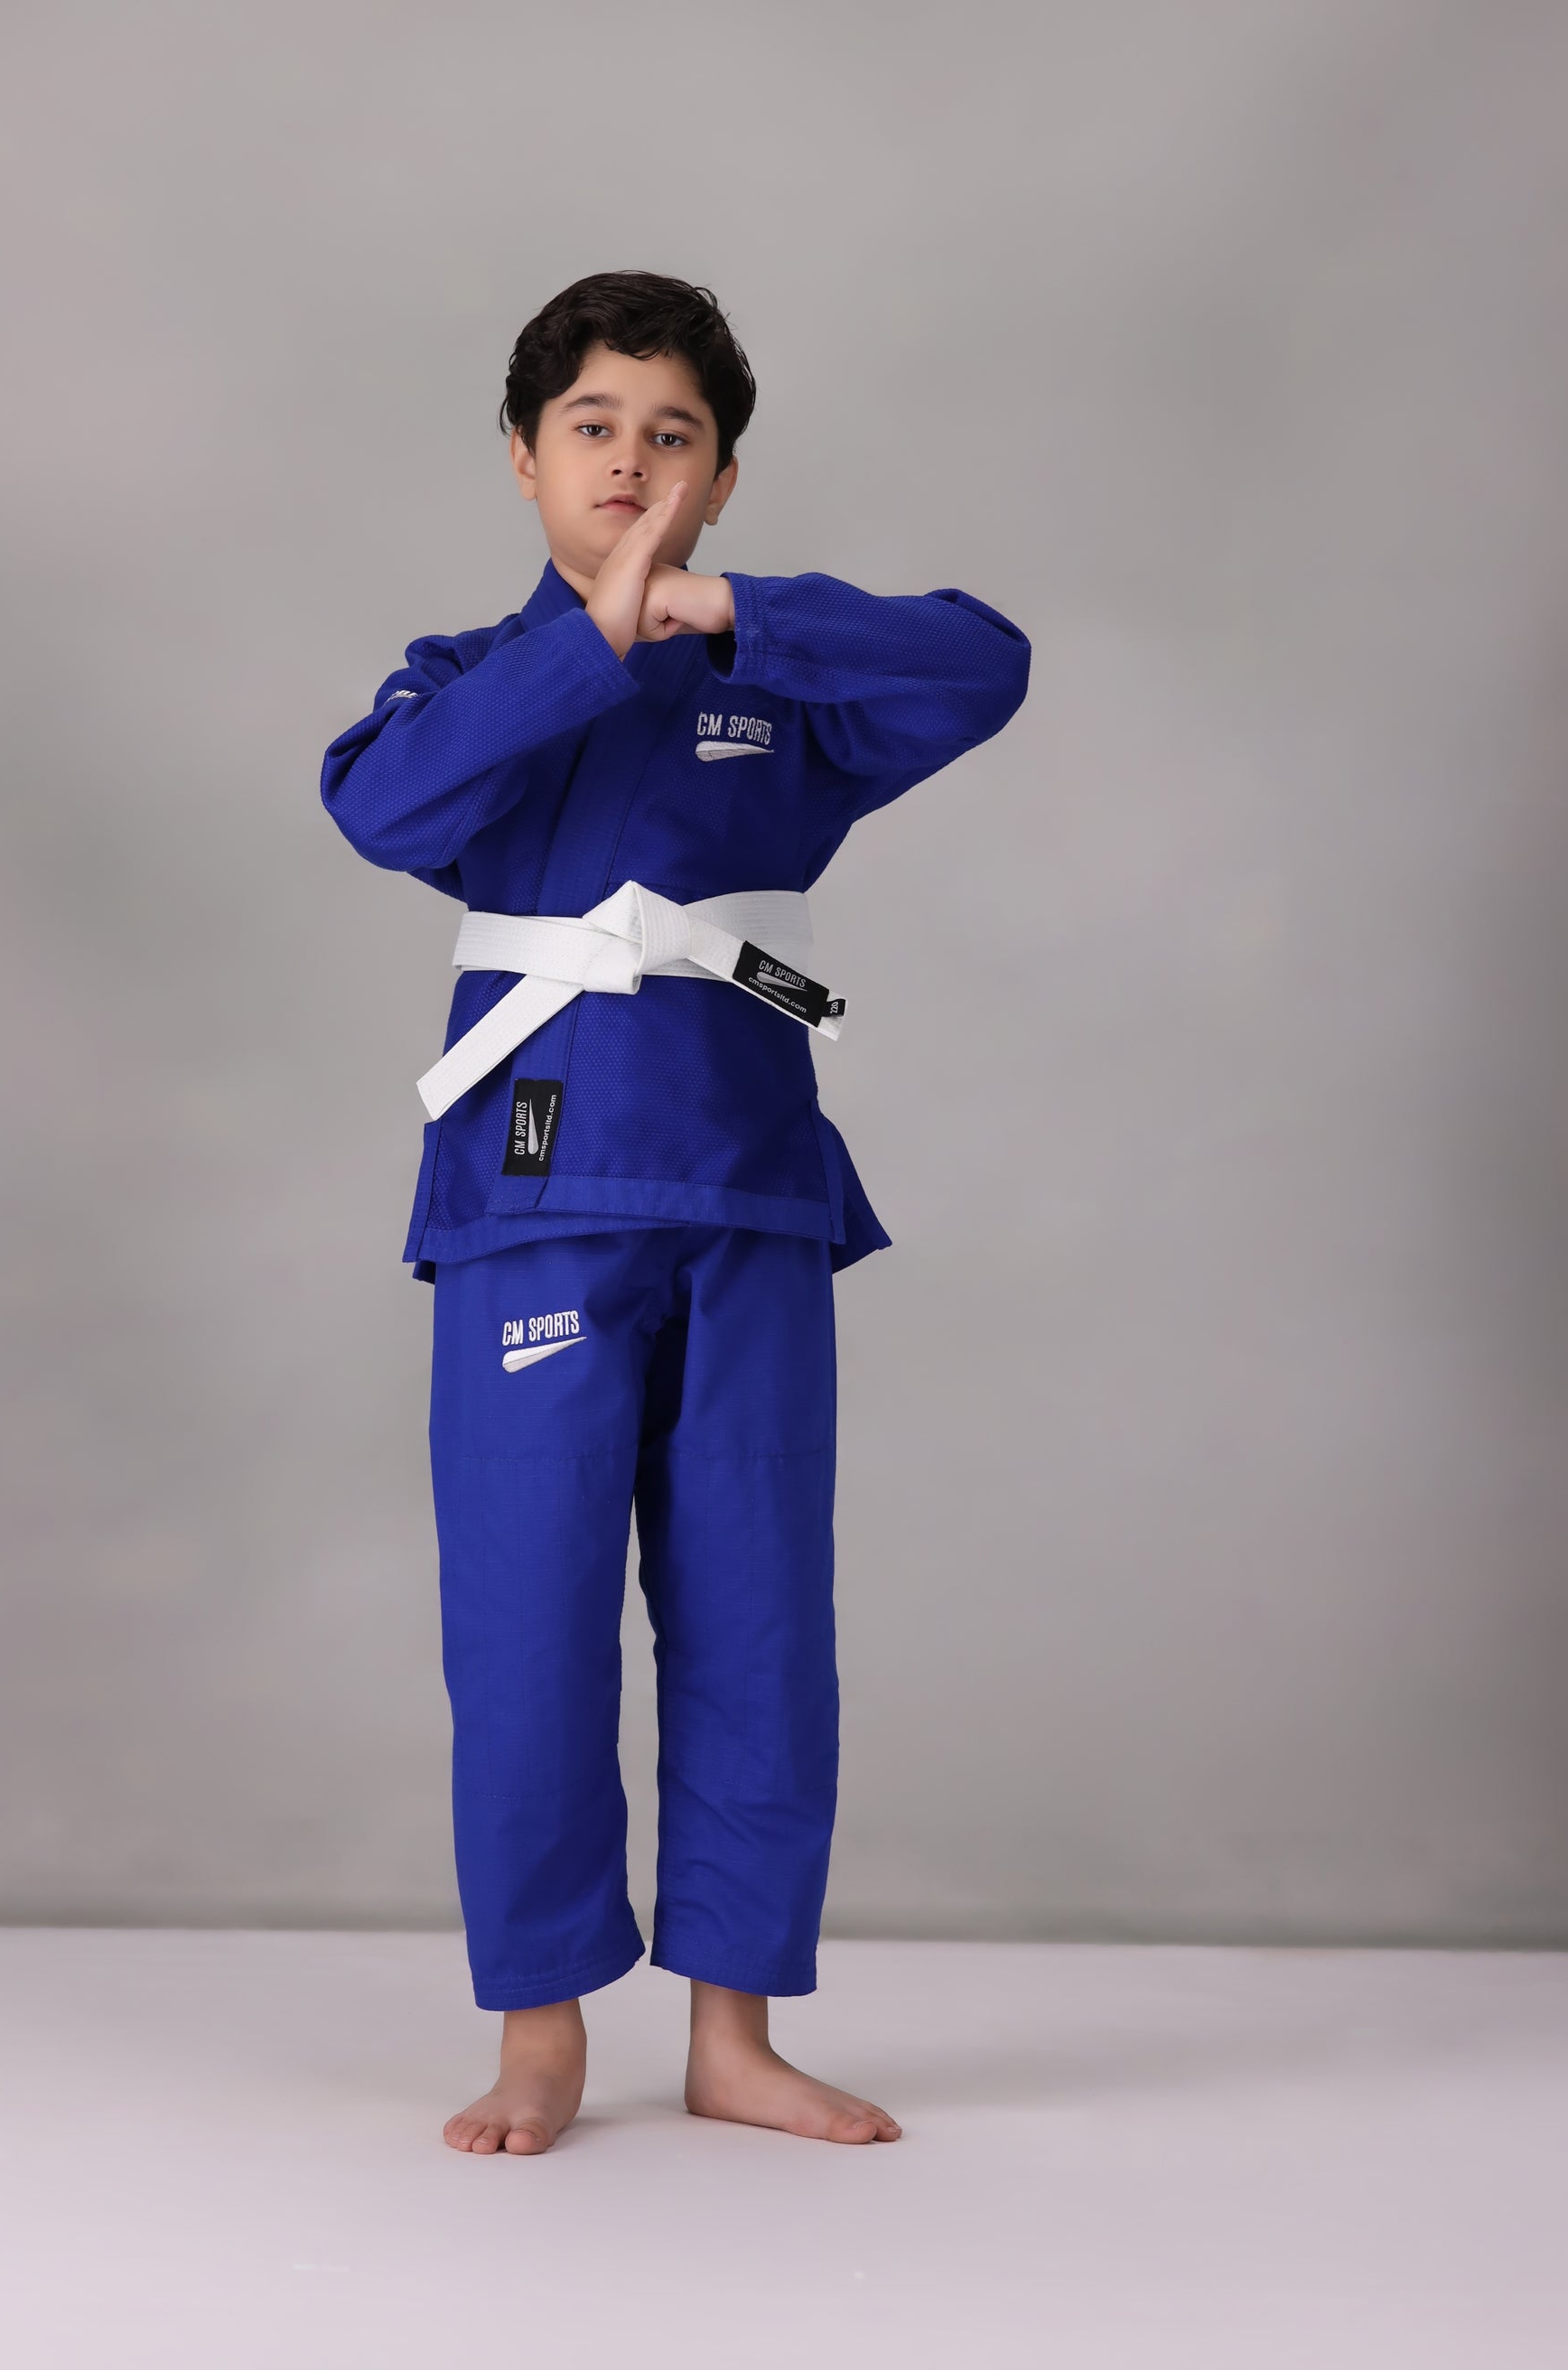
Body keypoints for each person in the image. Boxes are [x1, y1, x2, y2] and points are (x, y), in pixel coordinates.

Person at [321, 271, 1029, 2153]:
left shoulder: (777, 682)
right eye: (592, 428)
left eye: (674, 435)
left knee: (756, 1614)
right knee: (528, 1617)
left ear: (720, 476)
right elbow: (384, 808)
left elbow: (984, 662)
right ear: (522, 458)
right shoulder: (465, 684)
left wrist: (724, 616)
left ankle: (734, 2032)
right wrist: (600, 643)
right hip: (533, 1195)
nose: (631, 461)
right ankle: (539, 2034)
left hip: (747, 1186)